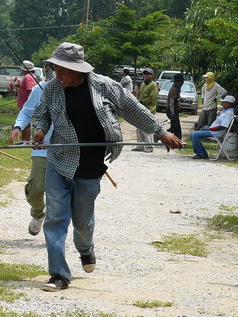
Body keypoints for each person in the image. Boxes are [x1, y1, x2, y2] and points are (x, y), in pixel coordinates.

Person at [32, 42, 183, 292]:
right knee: (56, 218)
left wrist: (159, 132)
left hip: (90, 164)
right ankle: (58, 275)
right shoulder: (51, 89)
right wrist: (39, 128)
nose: (57, 75)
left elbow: (132, 109)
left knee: (82, 222)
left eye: (62, 70)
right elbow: (42, 113)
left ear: (78, 70)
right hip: (59, 160)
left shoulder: (104, 86)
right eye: (55, 69)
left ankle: (86, 249)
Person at [10, 68, 53, 236]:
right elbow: (27, 111)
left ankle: (55, 232)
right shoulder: (39, 89)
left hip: (66, 150)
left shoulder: (77, 90)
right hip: (41, 148)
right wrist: (17, 127)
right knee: (35, 189)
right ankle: (38, 213)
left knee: (60, 194)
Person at [134, 68, 159, 152]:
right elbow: (138, 94)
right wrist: (137, 101)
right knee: (139, 128)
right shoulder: (143, 84)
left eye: (148, 74)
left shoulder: (153, 85)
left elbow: (152, 97)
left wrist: (142, 101)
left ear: (152, 75)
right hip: (141, 108)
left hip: (149, 109)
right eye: (144, 74)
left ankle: (149, 146)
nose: (146, 75)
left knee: (147, 128)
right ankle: (140, 146)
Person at [166, 73, 183, 140]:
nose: (181, 83)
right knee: (175, 128)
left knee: (176, 128)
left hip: (173, 110)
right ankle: (159, 136)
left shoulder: (177, 89)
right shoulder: (174, 89)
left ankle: (178, 141)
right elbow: (171, 102)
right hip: (171, 110)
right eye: (179, 82)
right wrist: (173, 113)